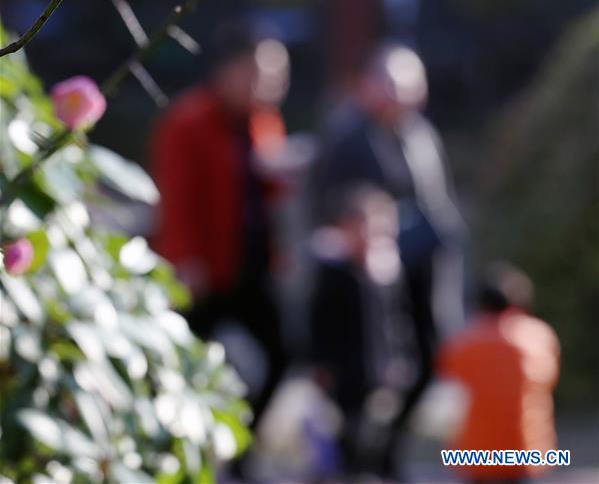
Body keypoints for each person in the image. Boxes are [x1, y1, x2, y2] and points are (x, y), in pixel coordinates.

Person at [315, 43, 465, 473]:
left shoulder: (420, 135)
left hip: (420, 274)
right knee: (361, 381)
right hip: (366, 284)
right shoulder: (347, 137)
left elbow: (438, 200)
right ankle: (359, 458)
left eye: (412, 88)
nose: (403, 98)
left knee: (428, 361)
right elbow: (327, 208)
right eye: (393, 87)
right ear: (369, 86)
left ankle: (387, 451)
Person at [151, 24, 289, 420]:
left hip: (249, 268)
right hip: (203, 272)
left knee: (281, 353)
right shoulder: (187, 121)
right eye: (264, 74)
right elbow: (176, 199)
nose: (274, 85)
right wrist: (185, 259)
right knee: (179, 366)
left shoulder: (264, 123)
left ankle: (237, 448)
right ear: (232, 71)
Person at [308, 185, 403, 477]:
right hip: (342, 370)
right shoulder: (334, 272)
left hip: (374, 367)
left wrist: (395, 359)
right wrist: (321, 364)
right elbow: (320, 323)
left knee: (371, 433)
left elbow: (393, 323)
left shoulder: (382, 275)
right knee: (344, 433)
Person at [437, 264, 560, 484]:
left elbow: (450, 384)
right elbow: (549, 380)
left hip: (475, 452)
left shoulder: (463, 343)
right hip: (526, 448)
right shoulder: (540, 337)